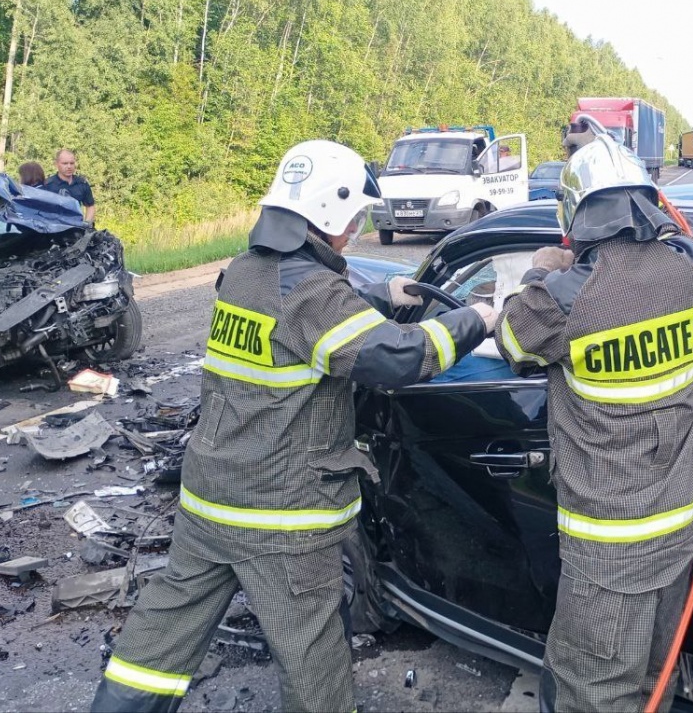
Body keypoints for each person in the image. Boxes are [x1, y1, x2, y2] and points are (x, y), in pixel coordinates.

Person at [90, 140, 496, 713]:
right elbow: (397, 359)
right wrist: (474, 320)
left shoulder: (243, 273)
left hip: (209, 501)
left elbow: (303, 316)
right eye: (352, 216)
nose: (355, 228)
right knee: (311, 656)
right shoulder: (312, 293)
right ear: (329, 213)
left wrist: (379, 293)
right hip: (281, 517)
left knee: (160, 638)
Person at [497, 128, 693, 712]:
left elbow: (515, 341)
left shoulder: (565, 296)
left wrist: (539, 271)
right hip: (684, 520)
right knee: (656, 673)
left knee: (593, 689)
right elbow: (689, 250)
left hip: (611, 539)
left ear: (576, 213)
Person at [45, 148, 96, 223]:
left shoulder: (82, 183)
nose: (69, 166)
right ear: (56, 164)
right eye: (65, 163)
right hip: (54, 229)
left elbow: (90, 206)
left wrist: (87, 224)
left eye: (72, 163)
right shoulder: (47, 185)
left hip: (76, 229)